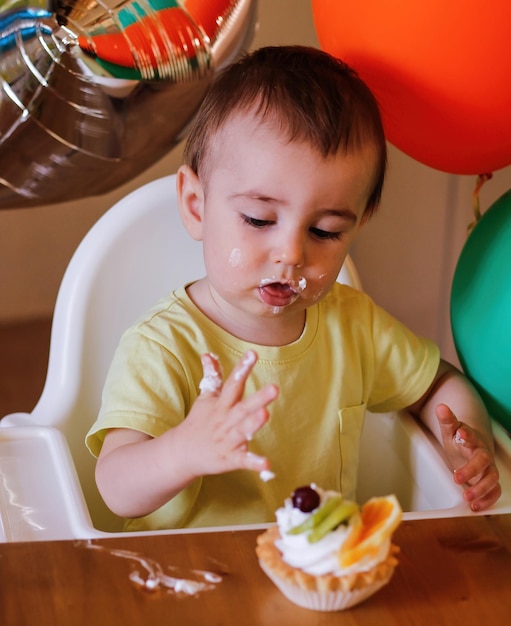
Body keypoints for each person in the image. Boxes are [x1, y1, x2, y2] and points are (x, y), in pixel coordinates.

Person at [86, 45, 501, 531]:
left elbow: (438, 384)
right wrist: (184, 450)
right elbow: (115, 487)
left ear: (358, 225)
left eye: (324, 231)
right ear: (197, 206)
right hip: (195, 578)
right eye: (259, 219)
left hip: (321, 570)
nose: (291, 254)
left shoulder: (354, 324)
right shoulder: (163, 346)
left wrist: (470, 446)